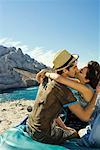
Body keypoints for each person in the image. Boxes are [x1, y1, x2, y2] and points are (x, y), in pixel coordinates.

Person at [26, 49, 97, 145]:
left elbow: (50, 108)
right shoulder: (64, 90)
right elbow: (84, 117)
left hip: (30, 126)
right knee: (75, 133)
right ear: (65, 70)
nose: (77, 69)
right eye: (75, 67)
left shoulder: (47, 79)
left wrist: (64, 127)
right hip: (42, 135)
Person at [37, 61, 100, 131]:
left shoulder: (87, 90)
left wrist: (46, 73)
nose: (78, 70)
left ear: (86, 79)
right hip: (79, 117)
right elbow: (63, 79)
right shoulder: (81, 83)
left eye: (81, 71)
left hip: (88, 123)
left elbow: (59, 78)